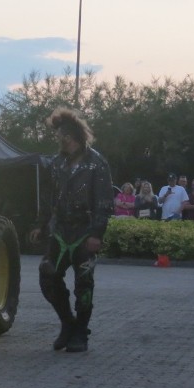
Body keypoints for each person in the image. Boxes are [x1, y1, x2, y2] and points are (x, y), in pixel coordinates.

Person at [30, 108, 114, 353]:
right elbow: (48, 199)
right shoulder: (56, 165)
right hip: (60, 232)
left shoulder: (97, 163)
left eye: (65, 133)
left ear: (76, 134)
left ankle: (81, 334)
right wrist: (40, 224)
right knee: (48, 274)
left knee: (84, 284)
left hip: (85, 232)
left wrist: (97, 233)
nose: (61, 138)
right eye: (58, 134)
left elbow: (104, 202)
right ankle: (68, 323)